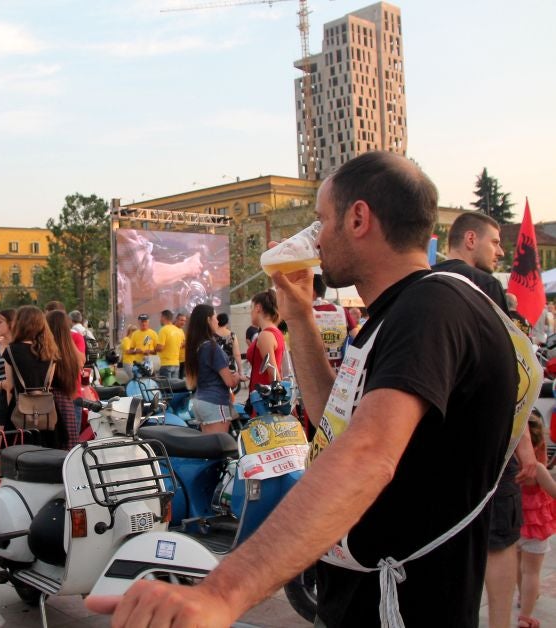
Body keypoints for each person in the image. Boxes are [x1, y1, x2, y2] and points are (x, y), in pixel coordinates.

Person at [87, 151, 529, 626]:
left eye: (321, 220)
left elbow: (366, 454)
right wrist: (298, 315)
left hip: (404, 606)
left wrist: (221, 593)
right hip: (361, 595)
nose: (315, 237)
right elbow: (333, 425)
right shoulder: (397, 313)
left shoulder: (432, 307)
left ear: (358, 218)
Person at [432, 210, 537, 628]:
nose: (500, 250)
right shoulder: (484, 285)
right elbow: (508, 372)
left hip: (441, 438)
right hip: (488, 438)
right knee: (498, 540)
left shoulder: (428, 281)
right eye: (495, 242)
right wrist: (523, 444)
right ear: (470, 239)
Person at [3, 306, 62, 449]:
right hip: (47, 413)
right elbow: (48, 383)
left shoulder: (11, 351)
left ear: (20, 324)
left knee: (18, 457)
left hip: (19, 412)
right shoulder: (50, 352)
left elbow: (9, 387)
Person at [517, 412, 556, 628]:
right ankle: (525, 616)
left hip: (514, 525)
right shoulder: (537, 469)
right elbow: (553, 491)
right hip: (536, 528)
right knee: (532, 572)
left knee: (516, 567)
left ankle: (523, 596)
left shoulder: (510, 464)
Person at [184, 304, 241, 434]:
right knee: (218, 449)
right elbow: (229, 382)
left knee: (208, 448)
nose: (217, 321)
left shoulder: (197, 346)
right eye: (215, 317)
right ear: (208, 320)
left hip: (200, 401)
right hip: (215, 402)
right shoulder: (212, 348)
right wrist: (237, 377)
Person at [45, 310, 84, 448]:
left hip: (51, 400)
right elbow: (81, 362)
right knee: (69, 446)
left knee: (51, 447)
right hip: (69, 398)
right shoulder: (70, 347)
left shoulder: (46, 348)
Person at [312, 273, 358, 369]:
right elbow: (358, 337)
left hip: (316, 370)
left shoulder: (306, 313)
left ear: (312, 292)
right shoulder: (342, 310)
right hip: (341, 370)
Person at [246, 290, 285, 393]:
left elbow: (274, 374)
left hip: (265, 400)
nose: (250, 312)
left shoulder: (266, 335)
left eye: (251, 308)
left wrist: (279, 399)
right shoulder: (275, 332)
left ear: (258, 307)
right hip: (264, 397)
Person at [155, 309, 185, 379]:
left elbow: (160, 348)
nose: (160, 320)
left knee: (165, 387)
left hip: (165, 364)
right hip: (176, 364)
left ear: (163, 317)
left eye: (160, 317)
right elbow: (181, 345)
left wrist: (154, 348)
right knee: (174, 387)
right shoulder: (178, 331)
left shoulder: (163, 330)